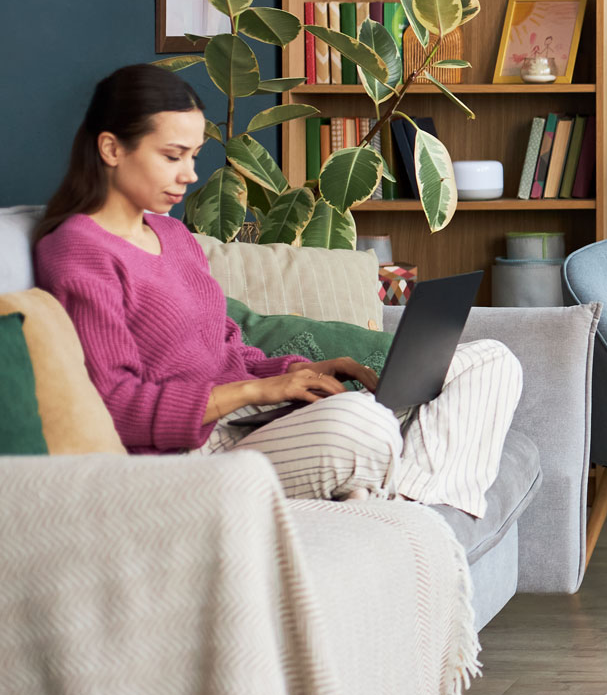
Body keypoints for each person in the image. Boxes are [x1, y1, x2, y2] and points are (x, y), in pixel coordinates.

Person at [32, 64, 522, 515]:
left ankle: (406, 504)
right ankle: (403, 501)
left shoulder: (173, 236)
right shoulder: (78, 250)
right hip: (194, 450)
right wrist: (260, 389)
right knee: (362, 423)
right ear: (111, 148)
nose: (190, 174)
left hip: (256, 417)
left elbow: (229, 349)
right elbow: (117, 405)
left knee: (490, 361)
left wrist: (300, 372)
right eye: (172, 156)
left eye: (195, 155)